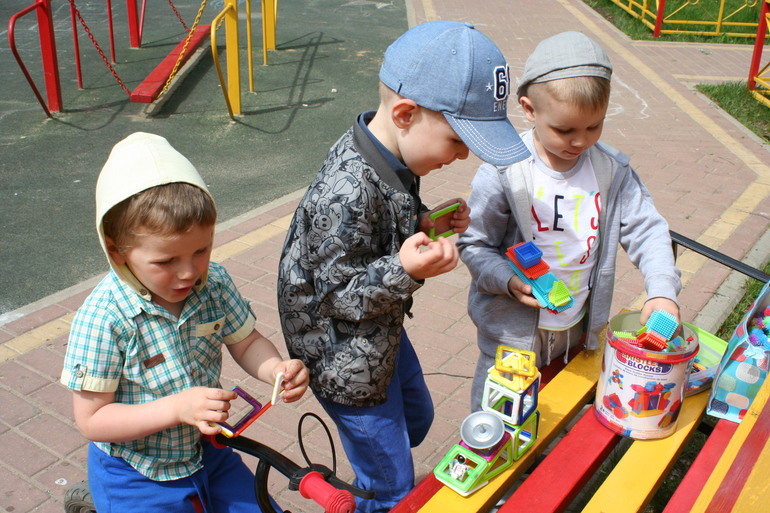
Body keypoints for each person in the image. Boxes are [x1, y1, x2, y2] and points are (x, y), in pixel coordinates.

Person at [276, 21, 529, 512]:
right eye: (457, 140)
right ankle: (377, 494)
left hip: (378, 331)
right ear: (406, 114)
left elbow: (381, 227)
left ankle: (377, 474)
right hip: (343, 357)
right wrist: (407, 270)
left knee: (417, 417)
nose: (462, 155)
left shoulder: (391, 155)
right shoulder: (347, 190)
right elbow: (337, 295)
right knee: (393, 485)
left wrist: (426, 222)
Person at [60, 132, 309, 512]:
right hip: (137, 473)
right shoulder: (104, 318)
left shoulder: (214, 283)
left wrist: (275, 368)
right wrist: (177, 409)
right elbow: (92, 419)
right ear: (116, 250)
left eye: (201, 250)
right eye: (165, 261)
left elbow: (245, 342)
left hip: (207, 450)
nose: (188, 272)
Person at [457, 31, 682, 411]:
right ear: (529, 109)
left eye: (594, 126)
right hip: (511, 335)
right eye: (564, 130)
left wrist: (662, 290)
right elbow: (475, 244)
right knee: (500, 416)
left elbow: (647, 230)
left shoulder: (611, 171)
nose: (580, 141)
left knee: (562, 410)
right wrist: (508, 280)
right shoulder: (505, 172)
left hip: (577, 330)